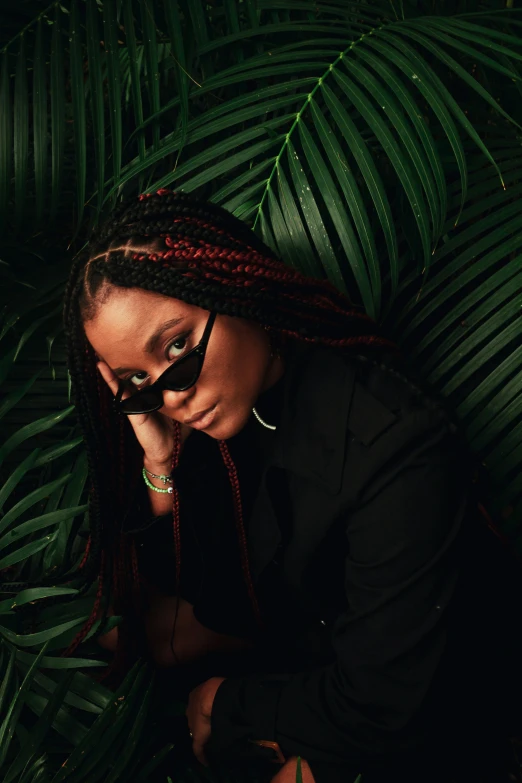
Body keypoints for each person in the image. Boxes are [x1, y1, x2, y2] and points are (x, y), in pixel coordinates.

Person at [59, 188, 522, 783]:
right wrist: (161, 463)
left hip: (430, 696)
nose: (170, 398)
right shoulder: (220, 419)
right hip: (314, 648)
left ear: (233, 293)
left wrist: (229, 704)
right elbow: (202, 589)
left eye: (176, 347)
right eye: (137, 380)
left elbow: (383, 704)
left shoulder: (393, 447)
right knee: (127, 637)